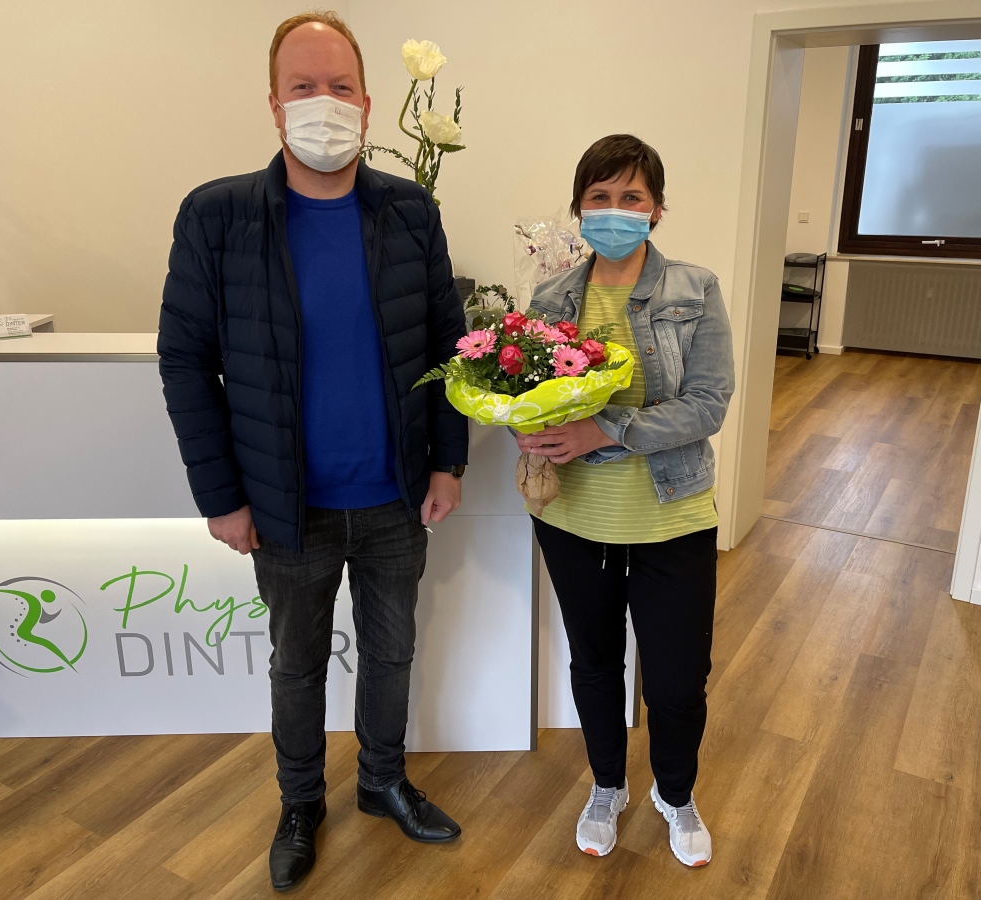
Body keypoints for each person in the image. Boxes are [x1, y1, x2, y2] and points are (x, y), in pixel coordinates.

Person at [157, 11, 468, 892]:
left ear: (368, 104)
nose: (322, 104)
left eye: (339, 88)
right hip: (284, 503)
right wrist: (221, 495)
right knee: (295, 664)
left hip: (395, 495)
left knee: (394, 650)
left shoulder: (410, 211)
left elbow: (448, 341)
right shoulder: (218, 216)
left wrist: (449, 460)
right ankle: (300, 802)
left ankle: (381, 782)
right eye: (304, 87)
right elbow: (185, 357)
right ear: (273, 103)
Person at [518, 134, 734, 868]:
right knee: (594, 663)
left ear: (657, 210)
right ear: (580, 209)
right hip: (575, 516)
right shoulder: (550, 299)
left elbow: (709, 403)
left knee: (677, 678)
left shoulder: (693, 290)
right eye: (600, 198)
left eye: (631, 198)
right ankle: (607, 784)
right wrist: (533, 430)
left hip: (671, 513)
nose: (615, 211)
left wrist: (602, 431)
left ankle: (675, 793)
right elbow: (536, 399)